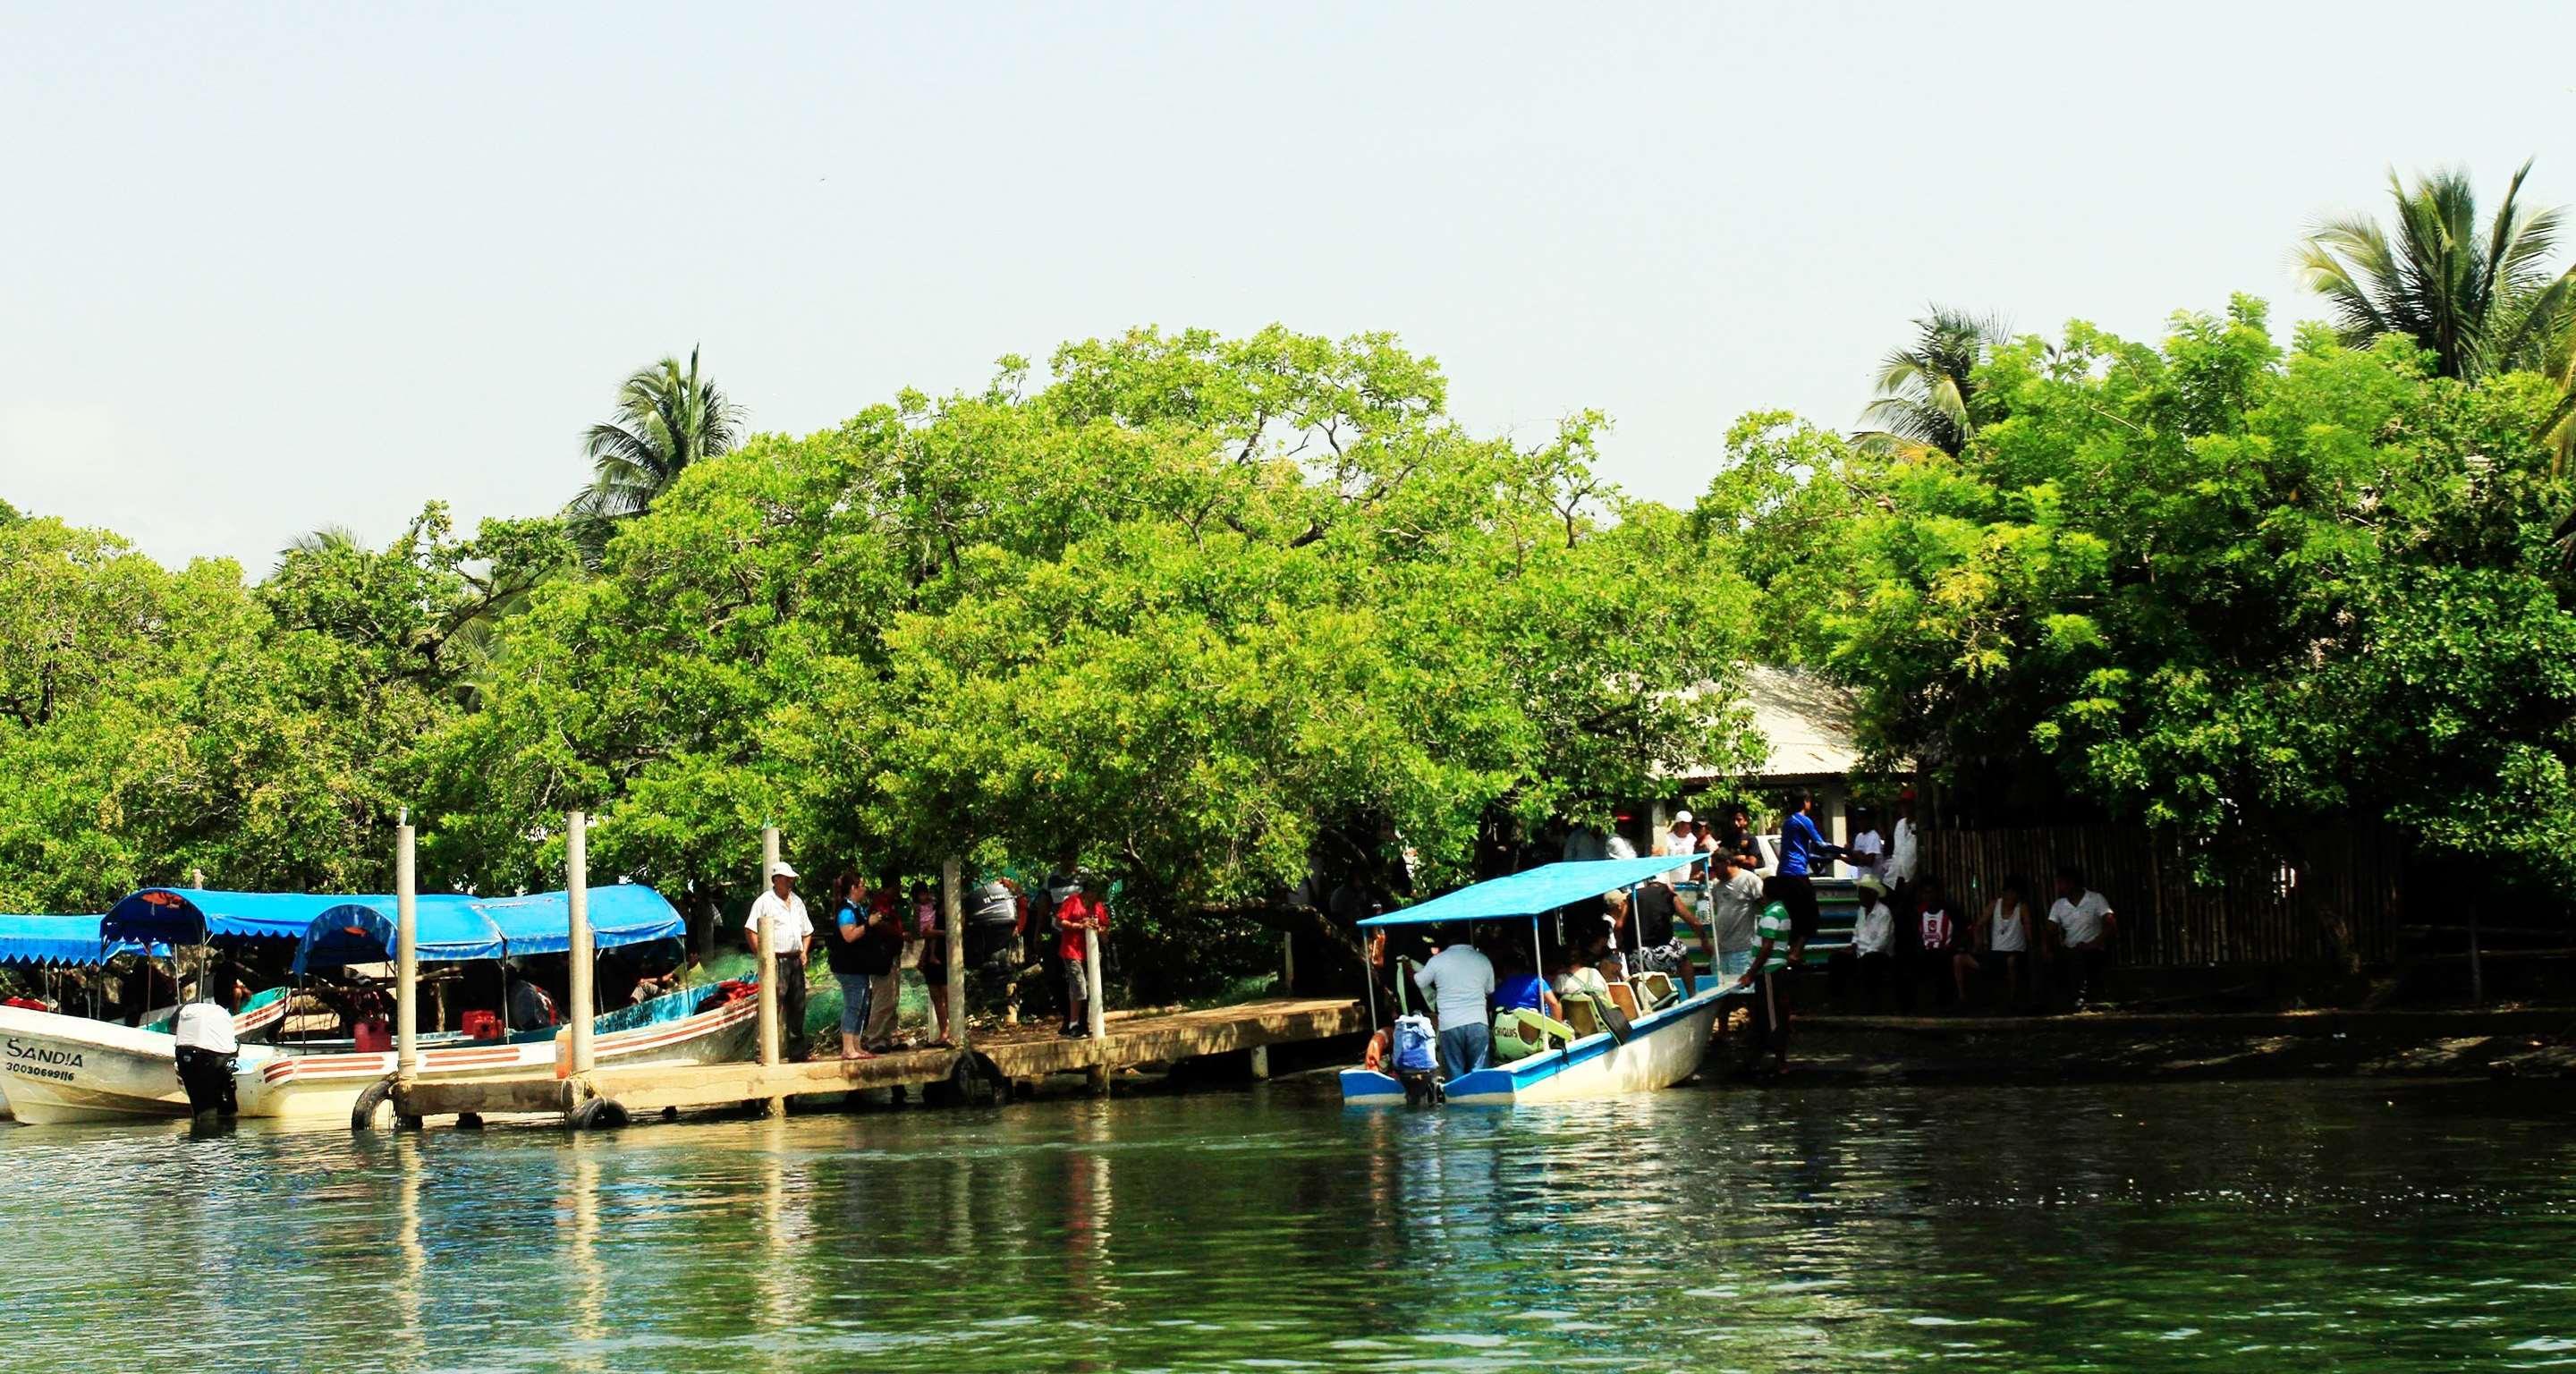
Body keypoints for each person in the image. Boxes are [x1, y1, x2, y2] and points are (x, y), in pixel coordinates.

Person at [744, 861, 817, 1060]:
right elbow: (751, 929)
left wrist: (804, 952)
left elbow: (808, 931)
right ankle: (763, 1051)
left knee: (797, 1006)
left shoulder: (798, 902)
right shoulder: (764, 901)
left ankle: (797, 1052)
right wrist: (763, 956)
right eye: (786, 879)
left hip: (794, 960)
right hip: (776, 960)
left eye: (791, 879)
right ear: (776, 880)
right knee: (771, 1005)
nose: (790, 882)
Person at [1732, 878, 1799, 1074]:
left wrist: (1750, 973)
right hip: (1774, 969)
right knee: (1768, 1013)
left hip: (1769, 970)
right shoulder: (1782, 912)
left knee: (1772, 1015)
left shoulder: (1771, 915)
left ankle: (1780, 1061)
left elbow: (1766, 947)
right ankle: (1762, 1057)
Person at [1412, 927, 1496, 1081]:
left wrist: (1408, 968)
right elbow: (1490, 989)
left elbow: (1420, 981)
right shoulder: (1483, 960)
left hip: (1450, 1024)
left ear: (1449, 941)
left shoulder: (1437, 961)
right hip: (1478, 1022)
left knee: (1455, 1075)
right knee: (1479, 1075)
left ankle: (1459, 1101)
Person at [1773, 791, 1846, 965]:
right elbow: (1821, 845)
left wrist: (1833, 857)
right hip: (1796, 874)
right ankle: (1795, 953)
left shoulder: (1788, 823)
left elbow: (1805, 854)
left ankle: (1792, 953)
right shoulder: (1803, 820)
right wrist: (1845, 851)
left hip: (1783, 875)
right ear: (1806, 801)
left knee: (1794, 916)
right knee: (1812, 916)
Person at [823, 872, 879, 1062]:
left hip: (859, 966)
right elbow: (849, 935)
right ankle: (847, 1048)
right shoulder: (846, 910)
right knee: (853, 1004)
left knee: (863, 1004)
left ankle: (857, 1044)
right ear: (853, 888)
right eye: (862, 885)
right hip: (847, 967)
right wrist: (869, 925)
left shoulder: (858, 908)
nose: (865, 888)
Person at [2047, 867, 2117, 1011]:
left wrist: (2094, 943)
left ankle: (2079, 998)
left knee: (2079, 958)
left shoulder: (2096, 899)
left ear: (2071, 883)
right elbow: (2050, 929)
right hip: (2070, 949)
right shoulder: (2059, 905)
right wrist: (2047, 947)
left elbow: (2111, 924)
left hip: (2093, 949)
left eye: (2061, 883)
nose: (2058, 887)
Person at [1056, 878, 1110, 1038]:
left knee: (1092, 986)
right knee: (1079, 986)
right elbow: (1059, 921)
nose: (1096, 896)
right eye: (1093, 892)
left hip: (1091, 952)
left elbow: (1106, 926)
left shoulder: (1098, 906)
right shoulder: (1073, 901)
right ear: (1087, 892)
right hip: (1072, 950)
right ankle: (1074, 1023)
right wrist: (1080, 925)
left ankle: (1086, 1023)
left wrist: (1099, 928)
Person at [171, 992, 239, 1116]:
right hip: (208, 1056)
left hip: (184, 1056)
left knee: (199, 1102)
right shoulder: (219, 1014)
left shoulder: (190, 1012)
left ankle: (203, 1121)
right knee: (217, 1099)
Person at [858, 880, 906, 1051]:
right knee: (883, 999)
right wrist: (897, 934)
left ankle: (887, 1037)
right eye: (897, 886)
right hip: (883, 958)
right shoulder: (881, 904)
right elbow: (878, 924)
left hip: (892, 956)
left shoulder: (890, 904)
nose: (899, 890)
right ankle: (875, 1039)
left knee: (892, 999)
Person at [1978, 872, 2034, 1012]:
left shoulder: (2022, 908)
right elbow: (1978, 925)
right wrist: (1977, 943)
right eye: (2008, 892)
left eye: (2015, 893)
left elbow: (2028, 930)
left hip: (2017, 952)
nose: (2011, 896)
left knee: (2011, 961)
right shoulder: (1994, 905)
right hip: (1997, 952)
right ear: (2004, 892)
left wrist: (2032, 947)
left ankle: (2012, 999)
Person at [1707, 849, 1766, 980]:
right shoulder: (1717, 886)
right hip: (1720, 950)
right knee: (1718, 991)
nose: (1714, 871)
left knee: (1741, 993)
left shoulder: (1749, 880)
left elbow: (1765, 906)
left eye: (1716, 867)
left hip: (1742, 949)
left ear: (1727, 863)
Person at [1913, 875, 1962, 1010]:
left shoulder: (1950, 910)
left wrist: (1952, 947)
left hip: (1945, 953)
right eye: (1925, 893)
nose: (1928, 896)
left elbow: (1961, 931)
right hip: (1925, 953)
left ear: (1937, 893)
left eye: (1931, 892)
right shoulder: (1918, 912)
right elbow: (1916, 935)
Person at [911, 881, 951, 1047]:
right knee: (935, 994)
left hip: (945, 955)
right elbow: (921, 932)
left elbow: (953, 931)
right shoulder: (926, 908)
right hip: (931, 954)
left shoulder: (947, 907)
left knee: (946, 992)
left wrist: (936, 933)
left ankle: (951, 1030)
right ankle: (944, 1032)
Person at [1849, 873, 1896, 1010]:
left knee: (1868, 962)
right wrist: (1853, 946)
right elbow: (1857, 931)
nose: (1860, 895)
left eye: (1863, 892)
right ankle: (1839, 1002)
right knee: (1837, 959)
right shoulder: (1861, 910)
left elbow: (1882, 941)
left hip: (1879, 955)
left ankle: (1869, 1005)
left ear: (1872, 894)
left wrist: (1864, 955)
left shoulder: (1884, 913)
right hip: (1861, 953)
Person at [1885, 793, 1921, 895]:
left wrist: (1914, 879)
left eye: (1907, 804)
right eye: (1902, 805)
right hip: (1894, 876)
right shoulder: (1900, 824)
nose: (1904, 808)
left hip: (1911, 876)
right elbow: (1897, 850)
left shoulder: (1920, 826)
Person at [1846, 809, 1885, 881]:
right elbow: (1856, 862)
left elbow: (1869, 862)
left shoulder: (1874, 836)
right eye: (1858, 819)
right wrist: (1844, 855)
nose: (1860, 822)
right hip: (1861, 879)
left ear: (1869, 821)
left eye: (1863, 819)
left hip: (1873, 881)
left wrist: (1855, 853)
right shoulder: (1859, 836)